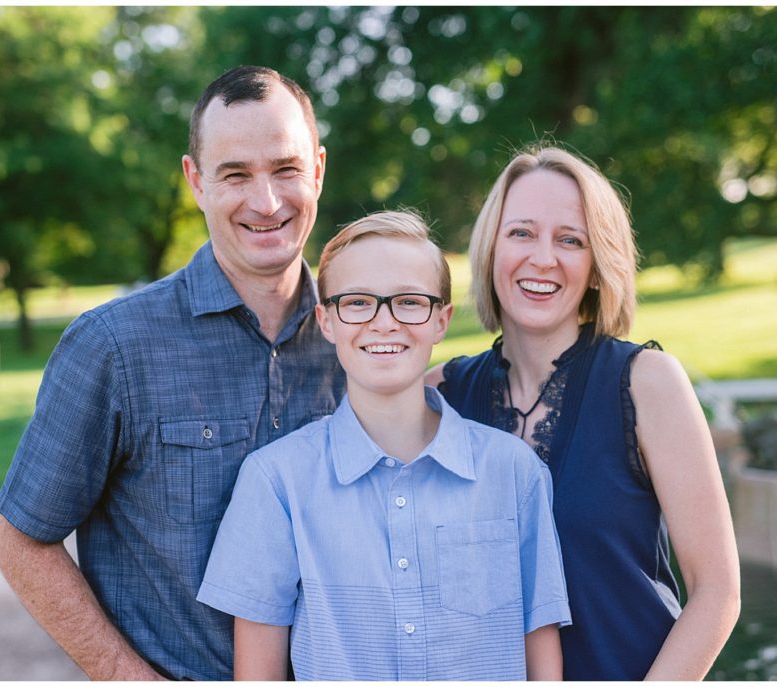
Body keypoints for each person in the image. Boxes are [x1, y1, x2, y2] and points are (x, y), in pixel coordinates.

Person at [0, 65, 346, 681]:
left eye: (286, 169)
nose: (266, 202)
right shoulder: (112, 345)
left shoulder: (358, 341)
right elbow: (20, 538)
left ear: (317, 169)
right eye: (236, 174)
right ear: (196, 181)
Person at [196, 210, 571, 681]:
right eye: (357, 303)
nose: (384, 322)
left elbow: (542, 659)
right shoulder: (276, 481)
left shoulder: (513, 471)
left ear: (441, 320)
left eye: (409, 302)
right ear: (326, 320)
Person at [427, 145, 741, 680]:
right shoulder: (440, 398)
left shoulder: (648, 384)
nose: (542, 258)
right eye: (521, 233)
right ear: (491, 249)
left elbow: (716, 592)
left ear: (597, 267)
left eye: (570, 240)